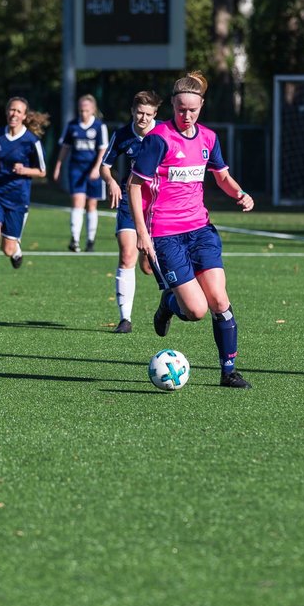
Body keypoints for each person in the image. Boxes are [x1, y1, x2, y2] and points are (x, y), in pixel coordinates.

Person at [129, 72, 255, 389]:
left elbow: (222, 176)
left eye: (193, 110)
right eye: (181, 109)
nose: (187, 116)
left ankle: (229, 371)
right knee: (196, 311)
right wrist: (142, 233)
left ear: (201, 107)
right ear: (172, 104)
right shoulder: (159, 138)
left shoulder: (209, 139)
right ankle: (168, 305)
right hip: (166, 234)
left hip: (201, 231)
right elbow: (134, 186)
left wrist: (240, 193)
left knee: (219, 301)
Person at [0, 97, 48, 299]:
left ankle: (16, 252)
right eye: (11, 110)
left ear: (24, 116)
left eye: (18, 111)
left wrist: (24, 170)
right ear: (7, 112)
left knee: (7, 247)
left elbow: (42, 171)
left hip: (18, 198)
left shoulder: (32, 141)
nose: (14, 114)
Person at [99, 90, 163, 333]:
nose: (143, 118)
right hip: (129, 199)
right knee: (127, 254)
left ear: (155, 113)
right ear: (132, 111)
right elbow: (104, 166)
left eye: (148, 114)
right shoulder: (123, 135)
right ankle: (125, 318)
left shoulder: (163, 133)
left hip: (158, 202)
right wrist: (111, 181)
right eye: (139, 113)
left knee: (148, 267)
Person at [52, 94, 109, 252]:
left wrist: (97, 168)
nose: (83, 113)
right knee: (77, 202)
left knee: (91, 204)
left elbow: (103, 149)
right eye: (81, 110)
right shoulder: (72, 126)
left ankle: (90, 240)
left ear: (93, 110)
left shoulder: (99, 126)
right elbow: (65, 147)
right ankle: (75, 240)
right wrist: (58, 166)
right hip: (76, 169)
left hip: (93, 170)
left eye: (86, 110)